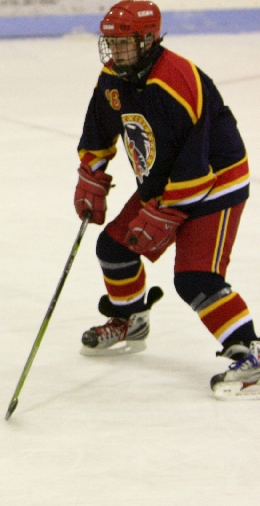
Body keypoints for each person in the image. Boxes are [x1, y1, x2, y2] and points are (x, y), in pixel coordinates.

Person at [74, 1, 254, 398]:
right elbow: (99, 127)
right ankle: (130, 320)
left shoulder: (176, 81)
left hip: (216, 184)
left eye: (124, 43)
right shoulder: (114, 77)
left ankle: (250, 352)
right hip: (167, 182)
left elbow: (196, 160)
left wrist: (164, 213)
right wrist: (91, 174)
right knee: (114, 250)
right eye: (111, 43)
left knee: (195, 278)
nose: (115, 51)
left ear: (148, 40)